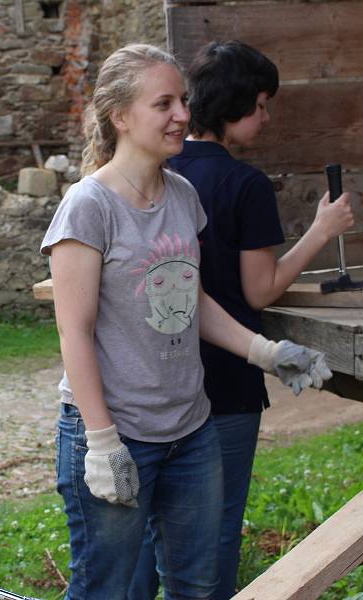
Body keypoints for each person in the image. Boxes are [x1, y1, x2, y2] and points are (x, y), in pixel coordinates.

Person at [40, 44, 332, 600]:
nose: (182, 115)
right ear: (121, 116)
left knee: (198, 586)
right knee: (109, 589)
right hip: (116, 432)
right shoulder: (89, 206)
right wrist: (101, 442)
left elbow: (188, 303)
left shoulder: (183, 195)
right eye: (164, 103)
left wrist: (264, 352)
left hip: (192, 430)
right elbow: (72, 333)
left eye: (184, 101)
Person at [130, 41, 355, 600]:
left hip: (150, 383)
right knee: (209, 545)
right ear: (232, 105)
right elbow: (259, 288)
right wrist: (321, 232)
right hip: (225, 382)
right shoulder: (243, 184)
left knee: (137, 546)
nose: (267, 116)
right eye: (259, 103)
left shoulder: (153, 173)